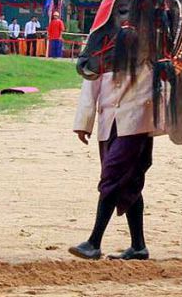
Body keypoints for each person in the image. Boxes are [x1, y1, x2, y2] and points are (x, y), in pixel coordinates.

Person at [70, 69, 165, 260]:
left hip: (138, 118)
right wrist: (84, 122)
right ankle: (138, 246)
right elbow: (90, 81)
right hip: (108, 118)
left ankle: (93, 242)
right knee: (128, 181)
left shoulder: (150, 40)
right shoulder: (99, 38)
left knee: (112, 175)